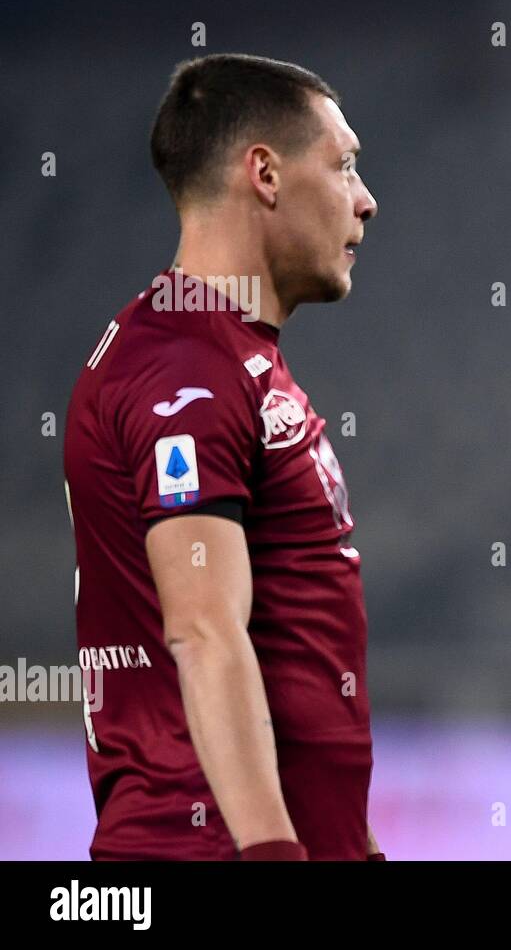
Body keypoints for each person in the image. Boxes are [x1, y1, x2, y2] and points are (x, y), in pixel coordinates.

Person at [64, 53, 381, 860]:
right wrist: (272, 851)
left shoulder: (224, 358)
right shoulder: (184, 370)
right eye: (343, 166)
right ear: (265, 174)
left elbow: (292, 649)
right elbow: (205, 631)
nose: (365, 200)